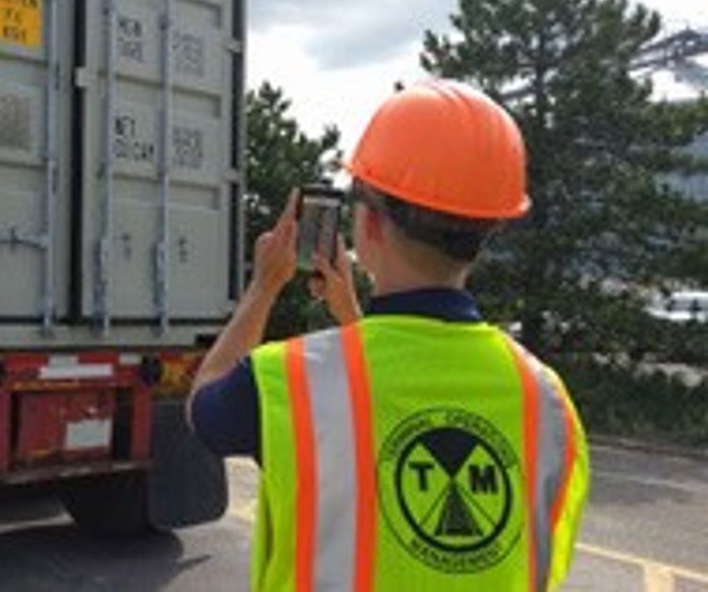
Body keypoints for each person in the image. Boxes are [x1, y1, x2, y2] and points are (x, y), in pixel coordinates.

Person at [188, 81, 589, 591]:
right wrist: (351, 314)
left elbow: (204, 411)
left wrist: (264, 286)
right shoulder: (549, 404)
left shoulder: (287, 381)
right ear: (488, 232)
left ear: (370, 225)